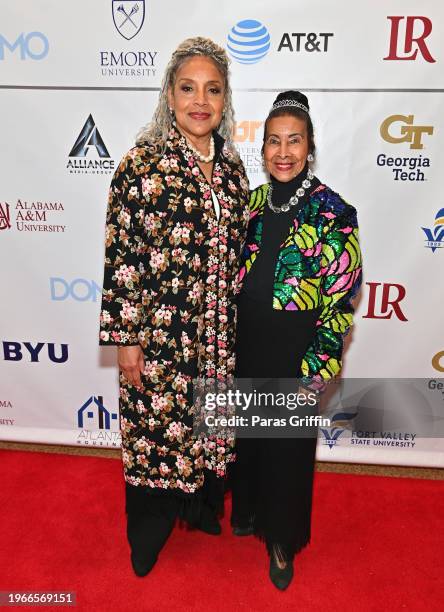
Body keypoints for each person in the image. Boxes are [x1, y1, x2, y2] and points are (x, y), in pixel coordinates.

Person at [99, 37, 249, 577]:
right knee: (157, 441)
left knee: (209, 436)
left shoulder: (233, 169)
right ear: (169, 94)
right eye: (188, 88)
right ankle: (147, 536)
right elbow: (123, 257)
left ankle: (204, 510)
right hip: (162, 338)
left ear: (225, 98)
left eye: (213, 89)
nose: (200, 100)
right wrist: (127, 339)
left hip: (218, 340)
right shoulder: (141, 165)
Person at [230, 91, 362, 590]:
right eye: (273, 142)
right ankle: (244, 513)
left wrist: (318, 366)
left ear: (310, 148)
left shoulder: (334, 211)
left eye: (294, 141)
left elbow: (341, 300)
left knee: (286, 449)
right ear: (261, 150)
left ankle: (282, 541)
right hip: (245, 343)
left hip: (296, 350)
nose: (283, 152)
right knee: (246, 438)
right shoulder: (252, 204)